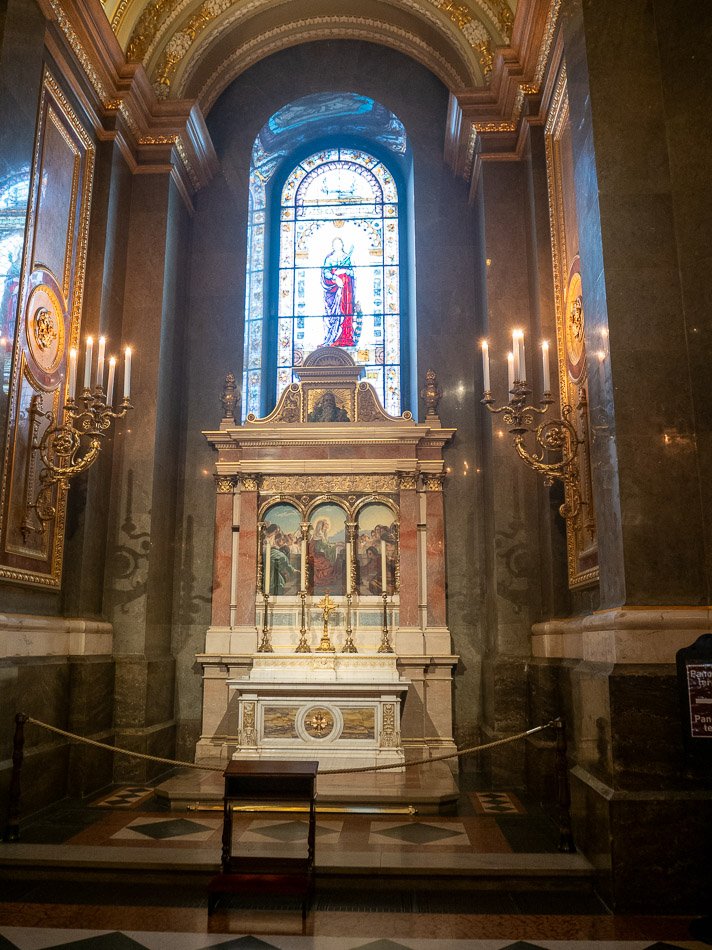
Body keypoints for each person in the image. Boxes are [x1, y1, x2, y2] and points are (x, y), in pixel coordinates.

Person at [321, 237, 356, 347]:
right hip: (333, 289)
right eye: (335, 244)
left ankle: (345, 337)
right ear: (333, 246)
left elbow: (353, 273)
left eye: (339, 243)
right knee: (333, 313)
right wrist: (335, 278)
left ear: (342, 245)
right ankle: (331, 338)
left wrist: (344, 271)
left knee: (345, 311)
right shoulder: (329, 259)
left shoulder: (347, 258)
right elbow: (325, 272)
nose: (337, 246)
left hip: (346, 290)